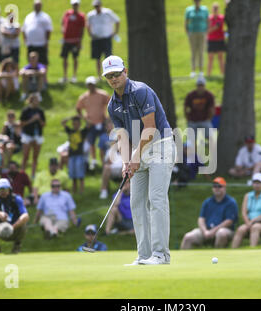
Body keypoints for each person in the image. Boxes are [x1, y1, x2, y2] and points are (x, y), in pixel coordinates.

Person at [105, 55, 176, 265]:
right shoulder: (112, 105)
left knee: (156, 199)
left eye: (117, 74)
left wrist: (135, 157)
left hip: (160, 145)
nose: (114, 78)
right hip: (138, 149)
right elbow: (122, 136)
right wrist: (127, 162)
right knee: (136, 203)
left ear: (125, 71)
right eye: (109, 76)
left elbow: (151, 128)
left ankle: (161, 255)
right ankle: (144, 255)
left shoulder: (140, 91)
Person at [181, 177, 238, 249]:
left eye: (219, 186)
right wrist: (205, 231)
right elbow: (201, 219)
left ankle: (219, 257)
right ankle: (185, 259)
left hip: (225, 230)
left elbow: (229, 221)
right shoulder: (207, 202)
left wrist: (213, 231)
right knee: (188, 237)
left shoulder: (231, 202)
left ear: (224, 188)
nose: (217, 188)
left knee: (221, 233)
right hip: (206, 230)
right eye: (214, 186)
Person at [0, 178, 29, 254]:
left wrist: (13, 226)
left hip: (15, 229)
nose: (3, 191)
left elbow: (25, 215)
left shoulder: (16, 199)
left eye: (5, 189)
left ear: (9, 190)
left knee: (24, 220)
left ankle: (17, 246)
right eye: (1, 189)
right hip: (0, 229)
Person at [231, 173, 261, 248]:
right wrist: (247, 223)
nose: (257, 185)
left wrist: (252, 221)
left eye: (259, 183)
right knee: (240, 229)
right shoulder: (248, 195)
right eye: (255, 183)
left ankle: (252, 251)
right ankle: (232, 252)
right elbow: (244, 212)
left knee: (255, 227)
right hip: (249, 222)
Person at [76, 76, 110, 170]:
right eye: (89, 85)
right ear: (87, 86)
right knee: (91, 143)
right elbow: (78, 108)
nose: (91, 86)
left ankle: (105, 161)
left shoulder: (102, 94)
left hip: (102, 122)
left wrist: (107, 118)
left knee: (103, 142)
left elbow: (110, 104)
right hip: (91, 123)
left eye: (93, 85)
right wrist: (85, 119)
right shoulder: (84, 97)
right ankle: (94, 161)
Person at [86, 0, 120, 80]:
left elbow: (117, 21)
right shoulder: (91, 14)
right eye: (95, 6)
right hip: (96, 39)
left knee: (108, 58)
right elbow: (88, 24)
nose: (96, 8)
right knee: (97, 58)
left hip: (106, 38)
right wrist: (90, 33)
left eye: (97, 6)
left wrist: (115, 32)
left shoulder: (107, 12)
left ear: (100, 5)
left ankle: (110, 75)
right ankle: (99, 76)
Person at [20, 93, 46, 178]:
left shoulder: (40, 111)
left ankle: (33, 174)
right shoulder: (25, 111)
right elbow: (22, 123)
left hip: (37, 135)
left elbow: (44, 124)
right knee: (26, 156)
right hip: (27, 135)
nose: (37, 102)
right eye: (36, 100)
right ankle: (22, 173)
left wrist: (39, 120)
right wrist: (32, 120)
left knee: (35, 156)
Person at [59, 0, 85, 84]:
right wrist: (63, 30)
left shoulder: (81, 16)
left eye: (76, 5)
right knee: (65, 58)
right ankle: (65, 76)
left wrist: (80, 41)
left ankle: (74, 76)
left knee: (75, 58)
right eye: (74, 5)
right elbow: (63, 22)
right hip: (66, 40)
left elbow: (82, 29)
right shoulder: (67, 13)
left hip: (75, 41)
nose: (75, 6)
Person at [61, 115, 89, 194]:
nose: (75, 125)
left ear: (80, 124)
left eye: (77, 124)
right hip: (71, 156)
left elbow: (89, 123)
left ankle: (81, 190)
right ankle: (74, 190)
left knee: (80, 175)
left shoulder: (82, 132)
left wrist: (82, 118)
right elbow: (63, 123)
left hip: (79, 156)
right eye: (74, 124)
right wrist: (70, 118)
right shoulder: (70, 131)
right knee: (73, 175)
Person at [184, 77, 215, 143]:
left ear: (204, 86)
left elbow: (212, 108)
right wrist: (188, 118)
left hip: (205, 120)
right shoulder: (191, 95)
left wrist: (209, 119)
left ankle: (213, 150)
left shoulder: (209, 95)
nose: (200, 87)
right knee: (190, 140)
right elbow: (186, 107)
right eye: (199, 85)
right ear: (196, 86)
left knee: (211, 137)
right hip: (193, 120)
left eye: (202, 85)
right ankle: (191, 151)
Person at [22, 0, 53, 66]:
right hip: (31, 44)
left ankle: (43, 76)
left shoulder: (45, 17)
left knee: (43, 62)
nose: (37, 7)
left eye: (38, 5)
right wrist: (25, 40)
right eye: (36, 5)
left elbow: (48, 30)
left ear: (41, 6)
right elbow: (24, 29)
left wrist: (46, 41)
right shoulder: (29, 16)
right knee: (31, 62)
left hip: (41, 44)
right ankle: (31, 76)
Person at [185, 0, 209, 78]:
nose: (197, 2)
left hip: (202, 33)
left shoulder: (205, 9)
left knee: (201, 52)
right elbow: (186, 22)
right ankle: (193, 71)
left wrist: (206, 32)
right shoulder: (189, 10)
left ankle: (201, 71)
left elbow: (208, 21)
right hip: (192, 33)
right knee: (193, 52)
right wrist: (187, 32)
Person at [206, 2, 226, 77]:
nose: (215, 10)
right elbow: (207, 30)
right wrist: (215, 27)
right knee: (210, 58)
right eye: (214, 8)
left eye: (216, 8)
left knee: (221, 58)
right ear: (212, 9)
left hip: (220, 39)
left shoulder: (221, 18)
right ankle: (208, 75)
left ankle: (223, 74)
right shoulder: (209, 18)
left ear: (218, 9)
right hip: (211, 40)